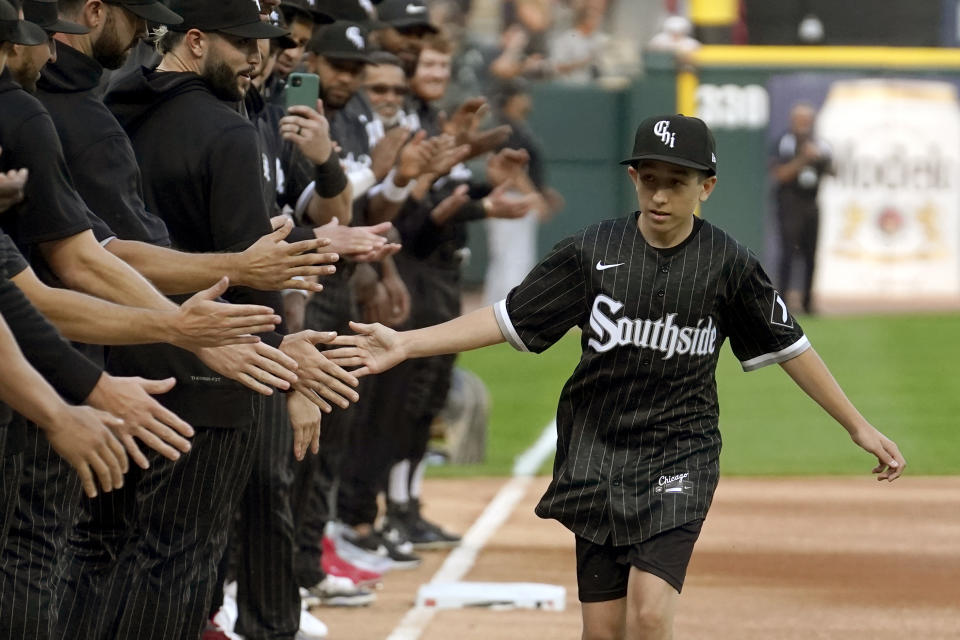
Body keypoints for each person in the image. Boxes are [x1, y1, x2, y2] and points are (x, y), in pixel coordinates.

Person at [328, 114, 906, 640]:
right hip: (595, 452)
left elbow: (791, 346)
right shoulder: (590, 251)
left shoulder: (728, 264)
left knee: (650, 614)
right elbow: (507, 319)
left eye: (676, 182)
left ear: (705, 187)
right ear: (633, 176)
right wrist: (406, 343)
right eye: (649, 178)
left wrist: (857, 426)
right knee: (603, 632)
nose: (659, 194)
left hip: (681, 451)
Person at [771, 102, 833, 314]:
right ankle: (783, 303)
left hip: (811, 203)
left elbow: (833, 170)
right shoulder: (785, 142)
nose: (804, 124)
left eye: (808, 120)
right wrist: (803, 159)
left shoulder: (820, 144)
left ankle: (808, 303)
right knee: (788, 252)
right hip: (790, 203)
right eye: (800, 120)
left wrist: (820, 157)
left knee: (811, 254)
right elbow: (780, 174)